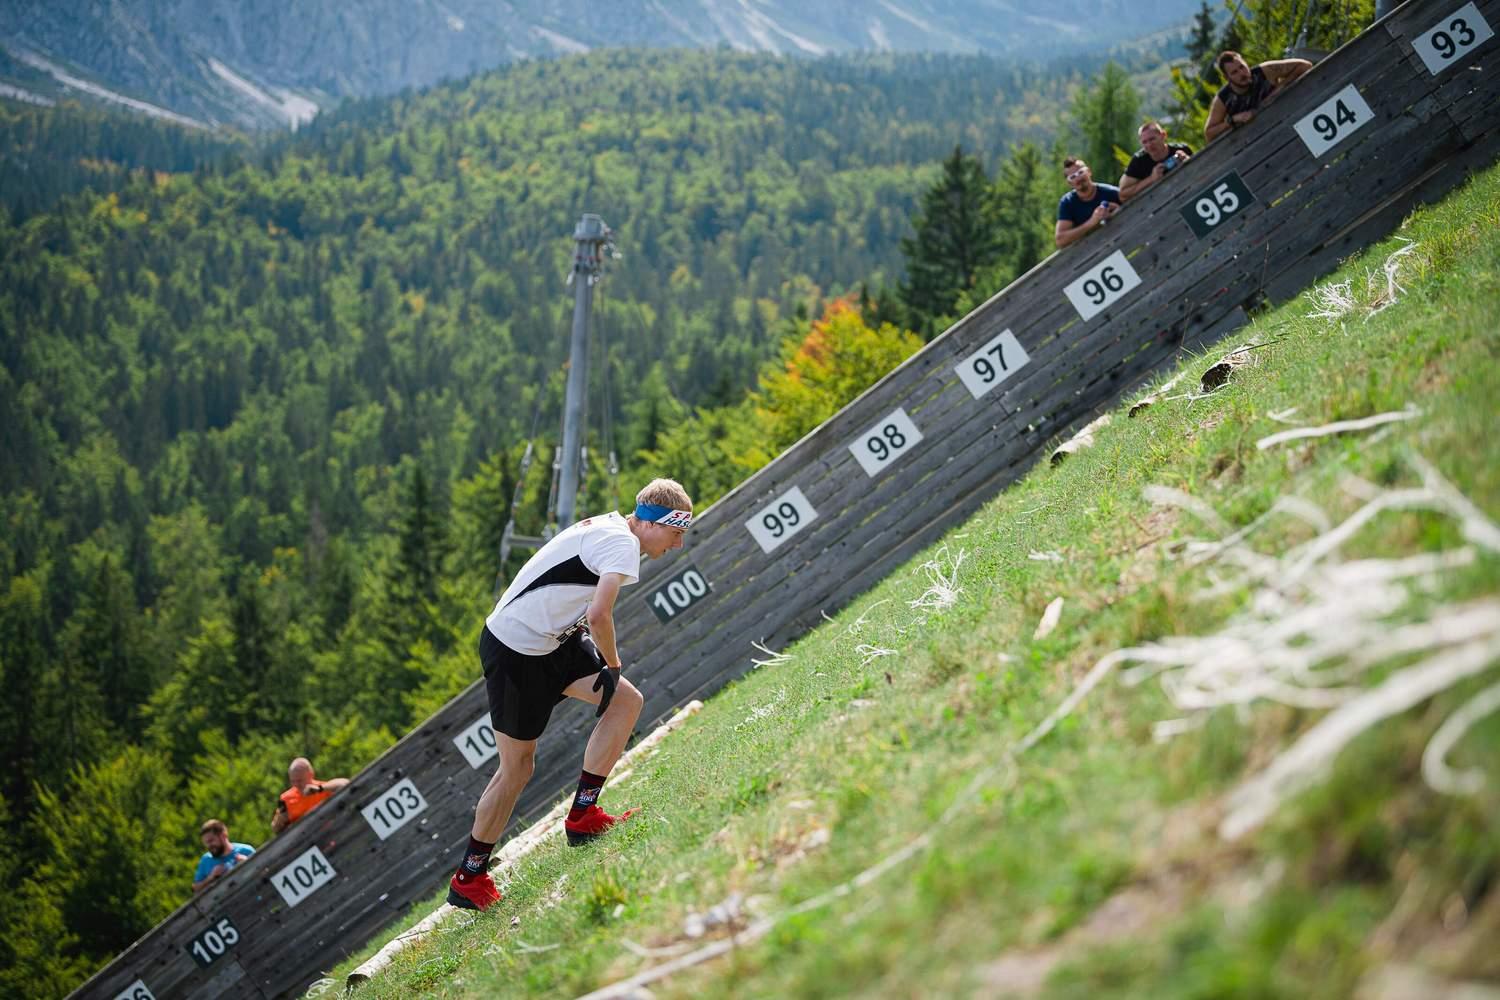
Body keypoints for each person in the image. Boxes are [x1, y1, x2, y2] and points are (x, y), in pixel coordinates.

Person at [446, 478, 693, 911]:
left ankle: (583, 815)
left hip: (555, 641)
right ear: (654, 524)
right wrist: (612, 665)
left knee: (626, 702)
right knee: (517, 769)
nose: (676, 546)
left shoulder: (617, 529)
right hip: (516, 652)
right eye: (676, 534)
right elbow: (599, 615)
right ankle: (469, 876)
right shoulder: (620, 545)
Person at [1204, 51, 1313, 142]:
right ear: (1226, 78)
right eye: (1234, 72)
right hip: (1257, 141)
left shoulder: (1264, 71)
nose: (1242, 73)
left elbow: (1305, 65)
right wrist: (1233, 120)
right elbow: (1209, 134)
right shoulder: (1223, 99)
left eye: (1242, 67)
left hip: (1289, 120)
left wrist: (1280, 88)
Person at [1055, 157, 1122, 249]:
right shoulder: (1067, 203)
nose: (1078, 178)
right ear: (1069, 183)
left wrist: (1117, 211)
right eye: (1073, 177)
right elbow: (1060, 240)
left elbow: (1134, 202)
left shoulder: (1110, 192)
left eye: (1080, 172)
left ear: (1089, 172)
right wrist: (1092, 222)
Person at [1118, 121, 1193, 202]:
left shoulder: (1182, 149)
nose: (1149, 145)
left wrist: (1188, 162)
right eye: (1144, 142)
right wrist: (1151, 179)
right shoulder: (1138, 161)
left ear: (1163, 135)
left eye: (1152, 139)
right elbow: (1122, 195)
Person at [271, 757, 350, 834]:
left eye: (300, 780)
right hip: (304, 841)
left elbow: (345, 783)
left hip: (330, 834)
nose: (296, 785)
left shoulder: (322, 788)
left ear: (311, 774)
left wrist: (320, 789)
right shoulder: (285, 798)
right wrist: (278, 822)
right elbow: (275, 828)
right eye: (293, 781)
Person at [193, 819, 254, 893]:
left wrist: (248, 863)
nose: (209, 846)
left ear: (223, 835)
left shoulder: (246, 851)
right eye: (206, 843)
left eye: (211, 841)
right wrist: (211, 877)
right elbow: (195, 888)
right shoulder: (205, 860)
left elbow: (265, 871)